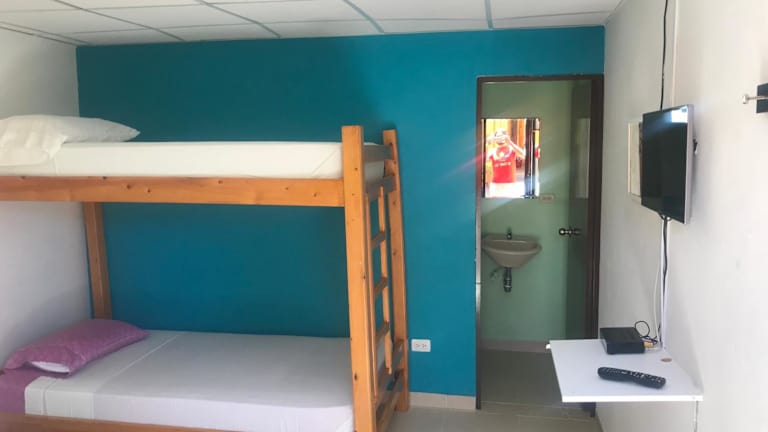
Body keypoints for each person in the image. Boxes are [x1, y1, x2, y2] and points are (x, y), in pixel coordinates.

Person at [486, 129, 526, 196]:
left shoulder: (511, 149)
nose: (500, 139)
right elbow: (483, 159)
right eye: (498, 137)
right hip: (496, 185)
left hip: (510, 185)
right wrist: (487, 144)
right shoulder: (492, 151)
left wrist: (510, 142)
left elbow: (523, 155)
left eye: (502, 136)